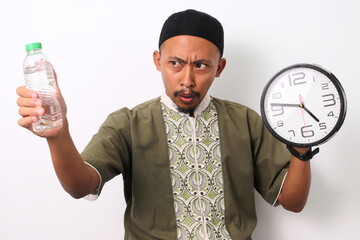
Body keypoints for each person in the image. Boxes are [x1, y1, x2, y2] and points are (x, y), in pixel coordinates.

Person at [17, 9, 312, 240]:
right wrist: (58, 135)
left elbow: (292, 200)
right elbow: (80, 186)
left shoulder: (245, 121)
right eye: (176, 63)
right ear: (158, 60)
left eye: (200, 65)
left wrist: (301, 147)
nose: (187, 79)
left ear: (219, 67)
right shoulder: (128, 124)